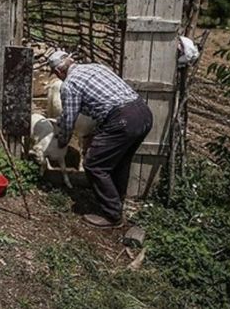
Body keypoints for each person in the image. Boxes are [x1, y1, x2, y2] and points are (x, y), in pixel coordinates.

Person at [48, 50, 153, 228]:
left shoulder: (70, 84)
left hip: (123, 119)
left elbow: (69, 119)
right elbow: (104, 103)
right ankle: (116, 203)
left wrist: (62, 142)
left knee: (94, 164)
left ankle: (112, 216)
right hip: (143, 112)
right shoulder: (95, 67)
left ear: (59, 72)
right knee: (120, 161)